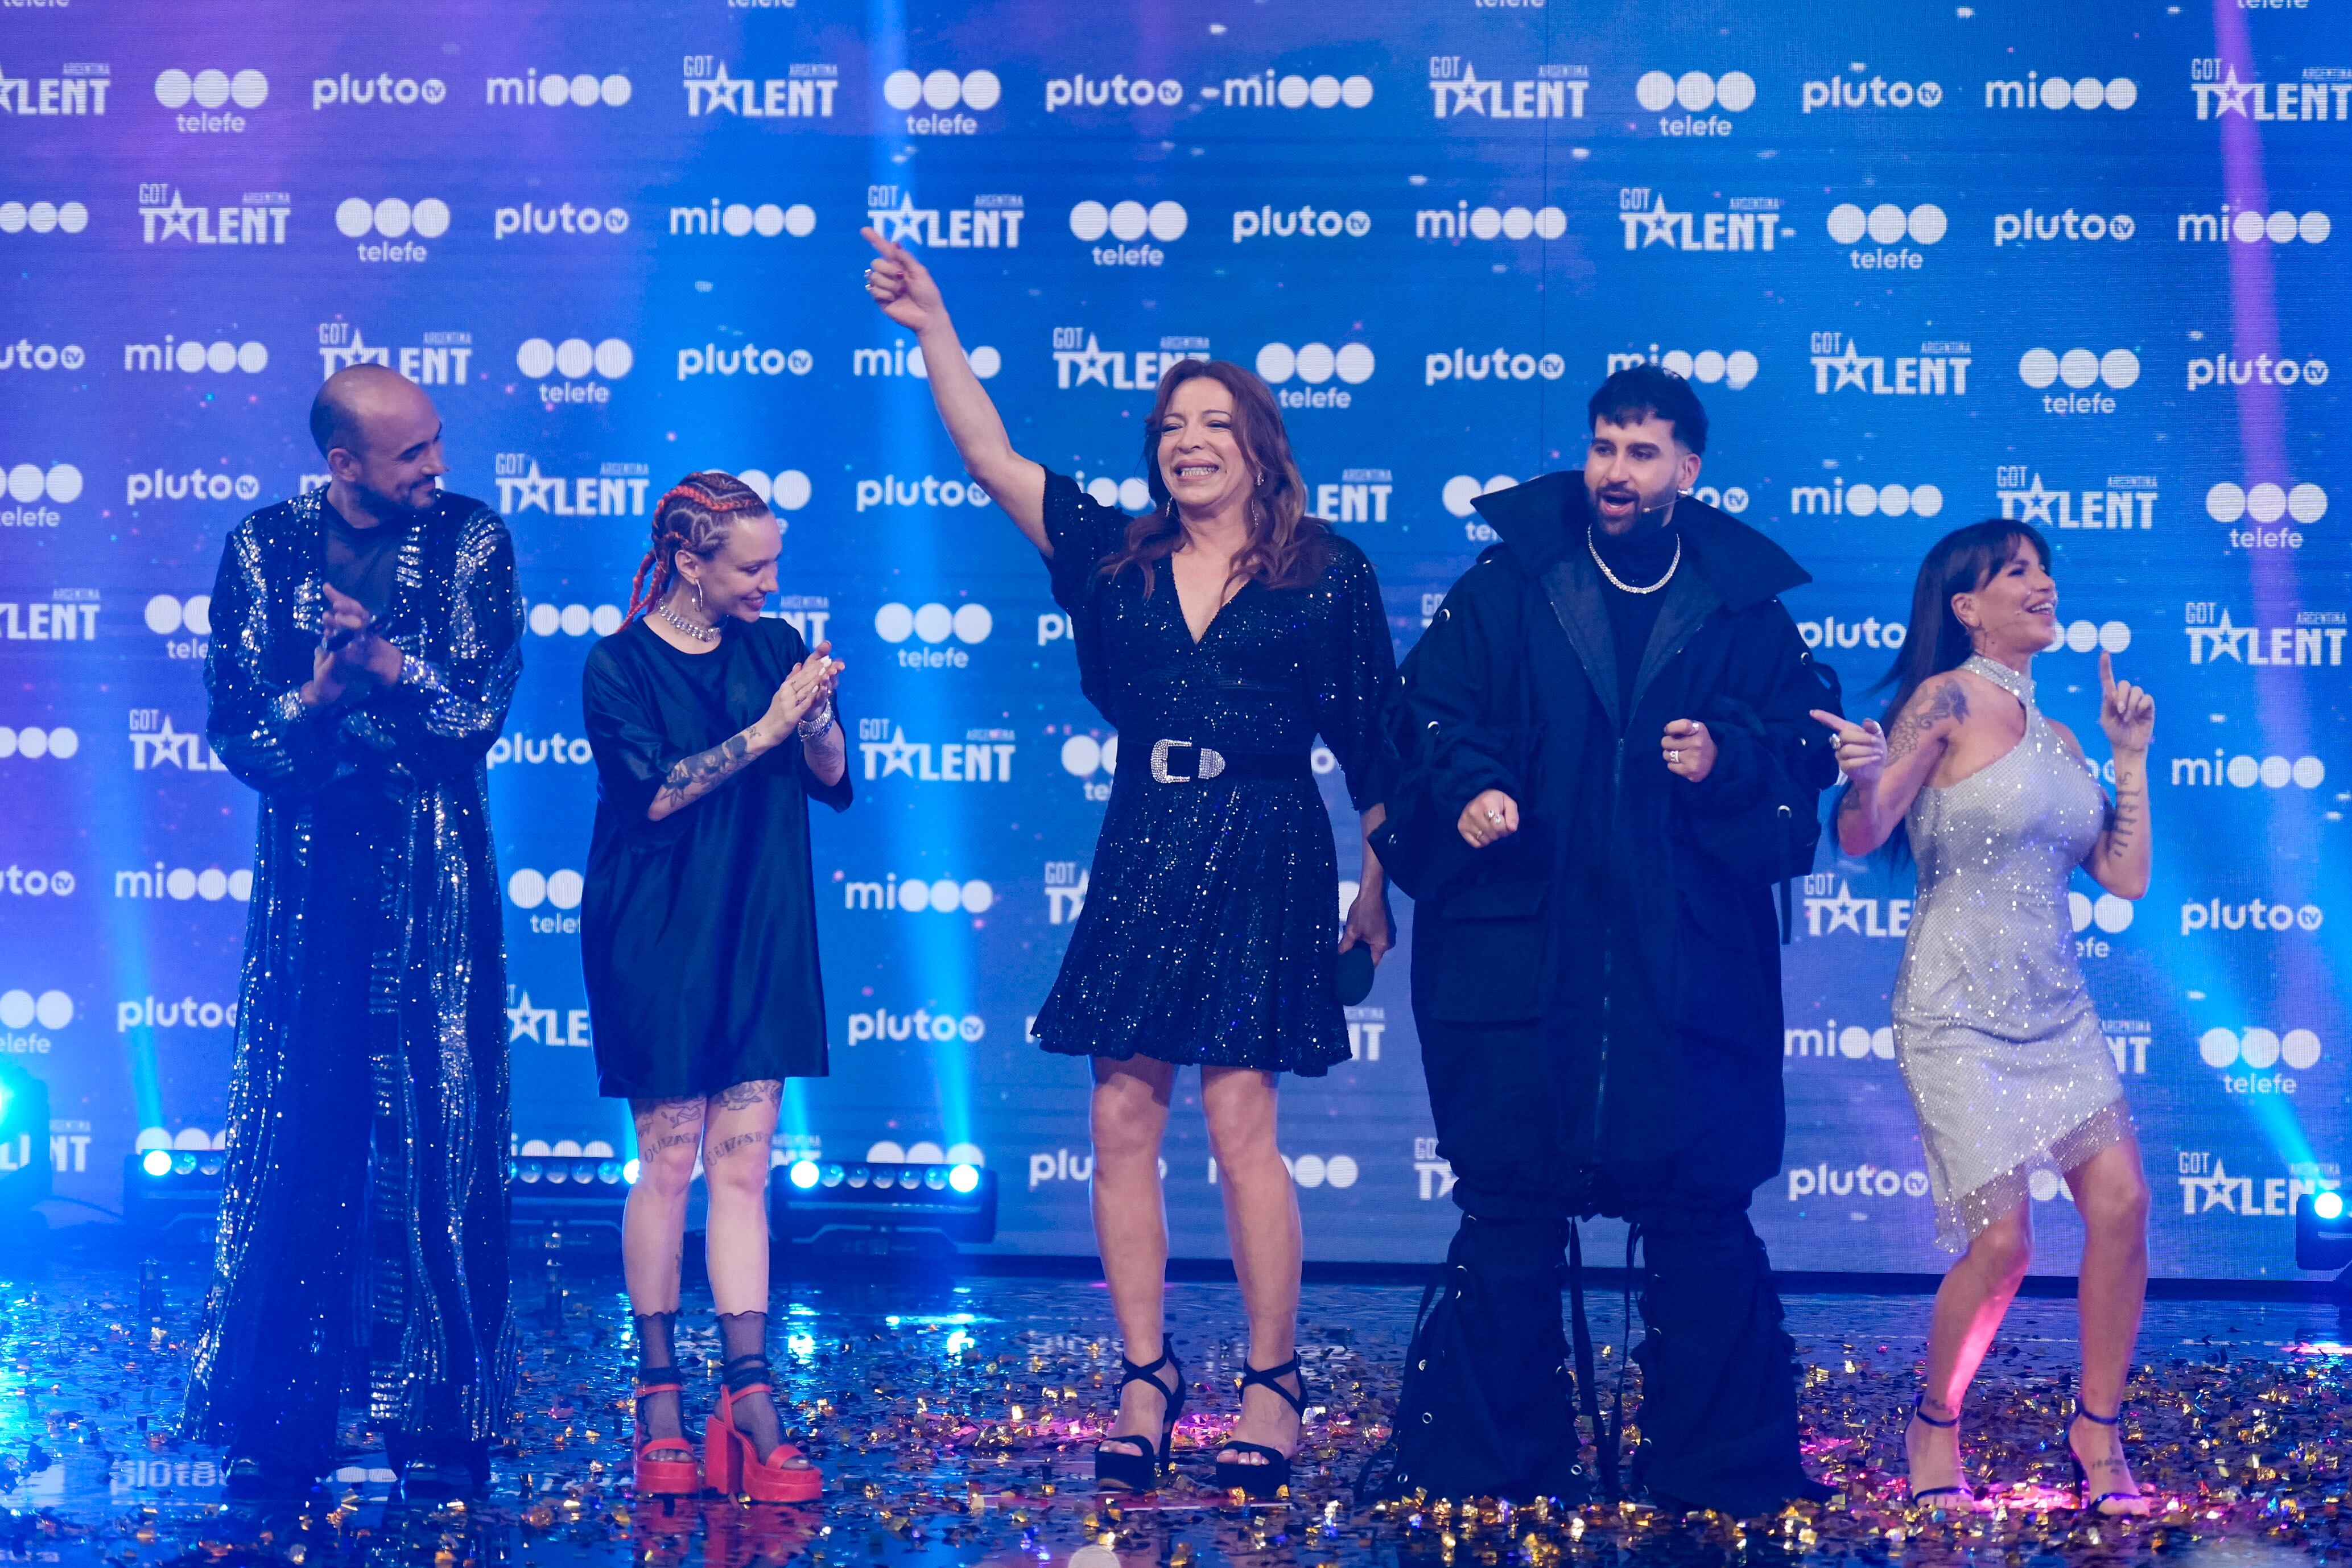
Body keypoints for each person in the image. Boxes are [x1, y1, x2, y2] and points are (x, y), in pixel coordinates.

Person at [861, 230, 1396, 1497]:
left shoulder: (1329, 574)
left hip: (1267, 841)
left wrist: (1377, 887)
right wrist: (935, 323)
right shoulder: (1116, 558)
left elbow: (1378, 739)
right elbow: (991, 456)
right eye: (1170, 425)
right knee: (1119, 1113)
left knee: (1239, 1117)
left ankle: (1272, 1385)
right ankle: (1145, 1376)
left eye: (1214, 422)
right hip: (1146, 843)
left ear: (1261, 445)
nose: (1187, 439)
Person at [1377, 365, 1838, 1512]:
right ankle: (1491, 1464)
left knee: (1701, 1213)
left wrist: (1726, 758)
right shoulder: (1507, 585)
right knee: (1509, 1213)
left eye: (1641, 451)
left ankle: (1718, 1468)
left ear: (1689, 469)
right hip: (1521, 949)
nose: (1615, 472)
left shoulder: (1747, 613)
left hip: (1685, 966)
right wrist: (1473, 782)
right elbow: (1425, 712)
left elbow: (1800, 758)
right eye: (1603, 446)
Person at [185, 364, 522, 1502]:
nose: (437, 467)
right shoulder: (261, 551)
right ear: (345, 465)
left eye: (435, 444)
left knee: (443, 1146)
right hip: (313, 888)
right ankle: (279, 1421)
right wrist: (326, 698)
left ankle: (441, 1421)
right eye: (413, 453)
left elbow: (475, 714)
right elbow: (242, 734)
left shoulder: (474, 541)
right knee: (304, 1138)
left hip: (435, 889)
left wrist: (393, 666)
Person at [1811, 522, 2155, 1515]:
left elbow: (2124, 877)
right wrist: (1864, 774)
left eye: (2043, 570)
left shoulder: (2055, 737)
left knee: (2123, 1209)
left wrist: (2127, 757)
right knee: (2002, 1246)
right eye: (2016, 573)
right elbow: (1862, 832)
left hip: (2057, 1012)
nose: (2041, 584)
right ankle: (1933, 1423)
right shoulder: (1945, 700)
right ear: (1966, 608)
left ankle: (2096, 1433)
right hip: (1955, 1012)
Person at [580, 473, 849, 1503]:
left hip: (762, 924)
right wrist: (774, 728)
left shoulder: (779, 650)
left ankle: (748, 1397)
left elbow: (830, 777)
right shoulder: (618, 664)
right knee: (671, 1165)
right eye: (751, 566)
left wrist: (816, 716)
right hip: (657, 930)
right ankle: (658, 1395)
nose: (769, 582)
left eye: (774, 562)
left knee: (745, 1172)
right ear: (689, 562)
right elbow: (650, 795)